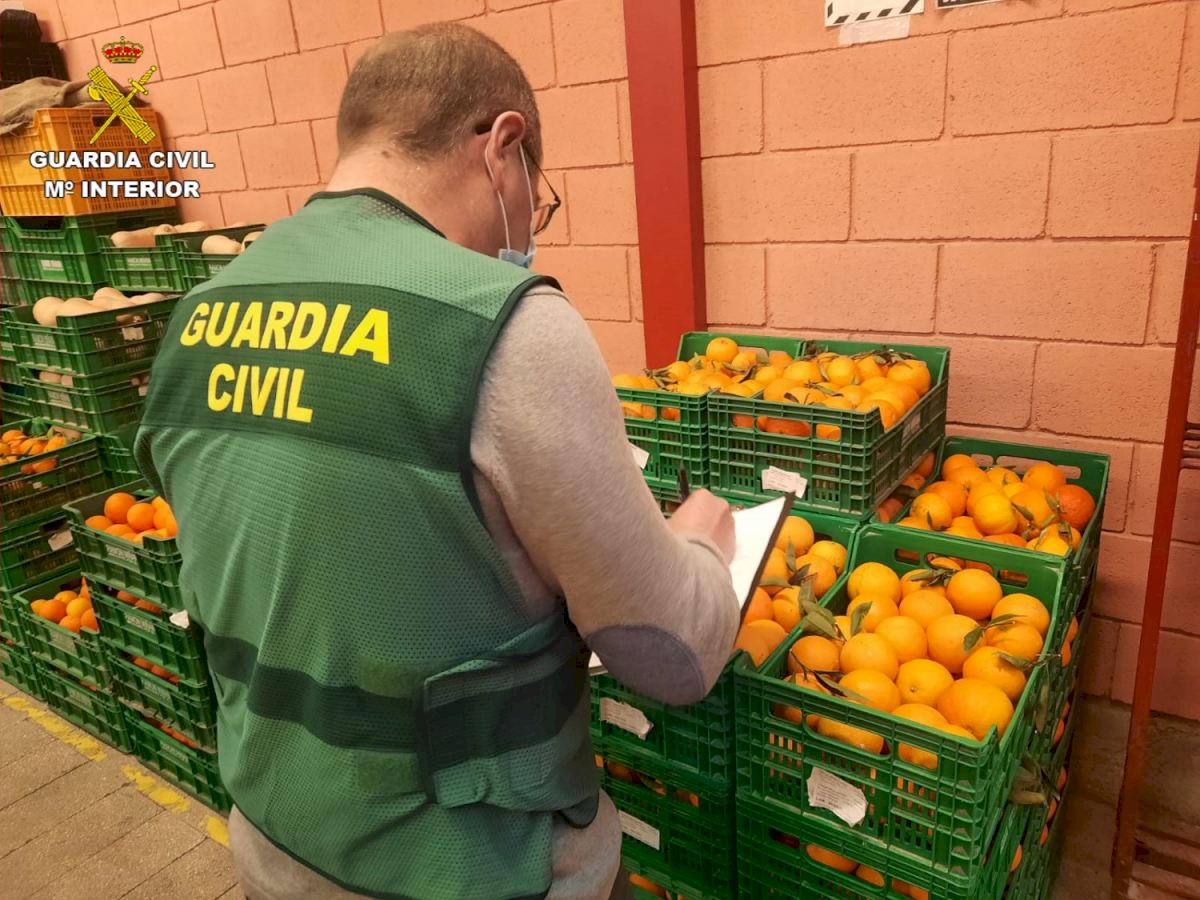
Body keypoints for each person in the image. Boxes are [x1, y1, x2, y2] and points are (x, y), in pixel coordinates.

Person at [135, 22, 738, 900]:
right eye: (539, 196)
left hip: (275, 843)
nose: (531, 223)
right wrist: (705, 546)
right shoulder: (502, 325)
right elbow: (670, 658)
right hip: (478, 869)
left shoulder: (193, 322)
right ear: (504, 147)